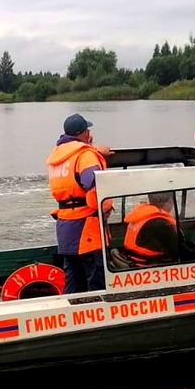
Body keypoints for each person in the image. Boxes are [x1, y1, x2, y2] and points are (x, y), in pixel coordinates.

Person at [47, 113, 112, 293]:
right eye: (88, 130)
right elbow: (93, 185)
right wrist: (106, 208)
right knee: (96, 279)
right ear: (83, 133)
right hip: (87, 227)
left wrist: (94, 150)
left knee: (73, 279)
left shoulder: (56, 157)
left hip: (65, 226)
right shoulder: (86, 156)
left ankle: (74, 314)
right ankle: (99, 316)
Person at [122, 191, 179, 265]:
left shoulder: (141, 216)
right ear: (170, 202)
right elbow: (181, 254)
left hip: (134, 261)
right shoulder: (162, 225)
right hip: (149, 267)